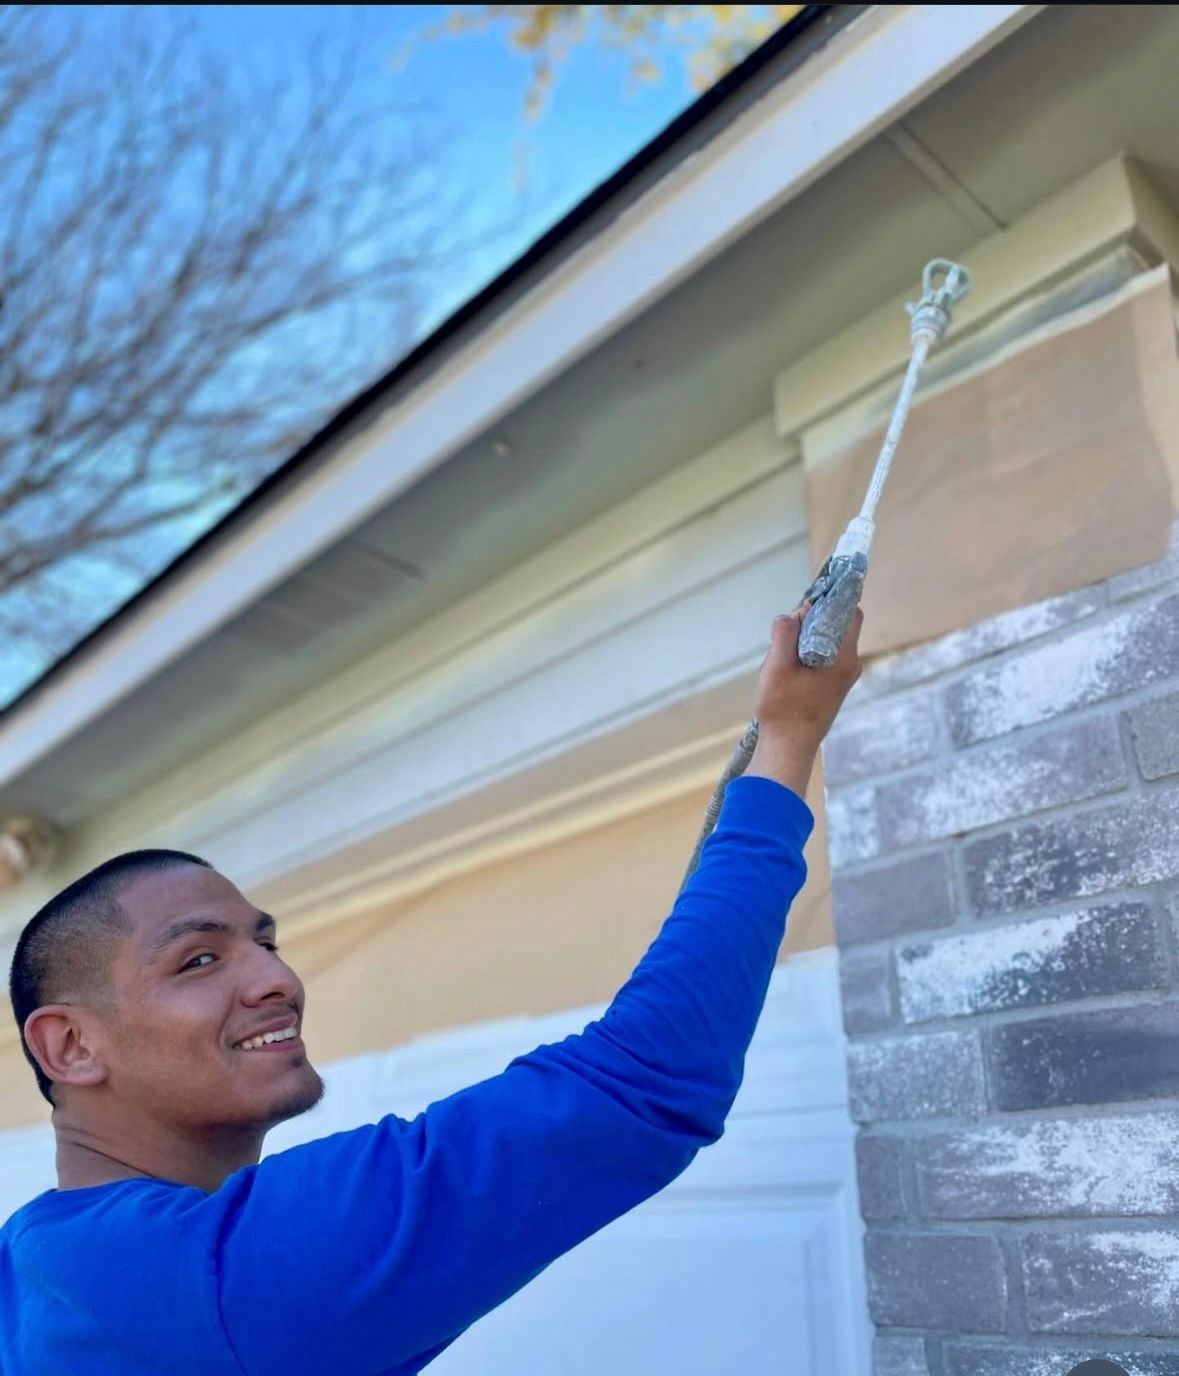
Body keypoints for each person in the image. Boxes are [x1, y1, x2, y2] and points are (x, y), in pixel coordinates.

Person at [0, 604, 861, 1375]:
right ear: (70, 1046)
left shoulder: (35, 1266)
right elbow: (642, 1082)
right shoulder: (207, 1283)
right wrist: (785, 743)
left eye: (266, 943)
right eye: (197, 960)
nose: (276, 979)